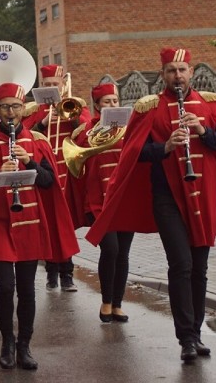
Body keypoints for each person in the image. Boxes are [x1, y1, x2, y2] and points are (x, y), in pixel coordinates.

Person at [86, 48, 216, 362]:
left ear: (192, 72)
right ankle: (186, 337)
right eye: (172, 70)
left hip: (204, 198)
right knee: (181, 264)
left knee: (199, 269)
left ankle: (197, 333)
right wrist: (166, 146)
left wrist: (203, 131)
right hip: (168, 199)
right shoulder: (150, 107)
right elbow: (134, 153)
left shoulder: (211, 104)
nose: (178, 76)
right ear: (163, 74)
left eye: (182, 70)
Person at [0, 82, 79, 371]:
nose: (11, 113)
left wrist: (29, 160)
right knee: (5, 287)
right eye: (5, 107)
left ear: (24, 109)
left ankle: (25, 346)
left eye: (16, 107)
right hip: (0, 225)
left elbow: (49, 182)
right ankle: (7, 342)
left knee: (27, 289)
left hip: (30, 224)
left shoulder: (37, 141)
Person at [66, 83, 134, 323]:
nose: (113, 105)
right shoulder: (89, 130)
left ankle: (117, 304)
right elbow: (80, 155)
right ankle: (105, 301)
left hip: (124, 198)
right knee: (111, 249)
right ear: (97, 106)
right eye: (107, 102)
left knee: (123, 253)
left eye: (115, 101)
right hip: (98, 200)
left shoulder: (129, 128)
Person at [24, 64, 91, 291]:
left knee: (65, 226)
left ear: (63, 85)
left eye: (56, 84)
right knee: (49, 225)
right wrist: (43, 122)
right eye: (48, 85)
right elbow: (26, 137)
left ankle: (67, 275)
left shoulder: (75, 105)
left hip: (67, 174)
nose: (52, 88)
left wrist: (68, 115)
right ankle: (52, 274)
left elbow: (85, 132)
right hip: (45, 174)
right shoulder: (34, 111)